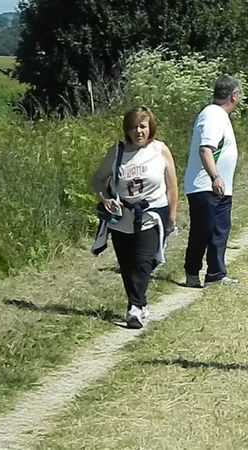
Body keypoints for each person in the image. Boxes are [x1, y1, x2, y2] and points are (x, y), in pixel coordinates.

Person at [91, 106, 178, 329]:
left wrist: (172, 215)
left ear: (150, 128)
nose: (139, 131)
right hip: (121, 218)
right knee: (127, 264)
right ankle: (138, 302)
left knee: (144, 261)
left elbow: (172, 186)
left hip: (151, 214)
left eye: (143, 126)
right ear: (127, 129)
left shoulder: (160, 150)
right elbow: (98, 180)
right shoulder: (117, 151)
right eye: (134, 127)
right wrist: (105, 199)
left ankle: (135, 308)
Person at [183, 74, 241, 288]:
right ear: (234, 95)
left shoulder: (219, 115)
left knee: (219, 231)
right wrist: (215, 177)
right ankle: (192, 271)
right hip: (205, 186)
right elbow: (206, 149)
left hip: (220, 187)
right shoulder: (213, 116)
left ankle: (216, 273)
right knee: (203, 230)